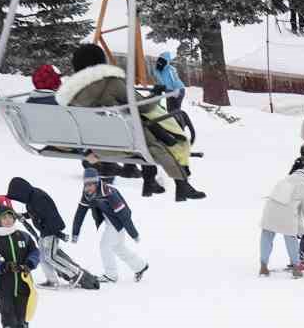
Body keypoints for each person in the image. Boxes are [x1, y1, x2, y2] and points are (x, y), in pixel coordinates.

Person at [58, 44, 203, 201]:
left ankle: (153, 181)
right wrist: (155, 95)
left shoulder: (69, 92)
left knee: (145, 132)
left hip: (94, 147)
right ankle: (181, 183)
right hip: (125, 143)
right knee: (160, 138)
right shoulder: (111, 83)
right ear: (101, 62)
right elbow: (143, 107)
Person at [72, 167, 148, 283]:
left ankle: (111, 275)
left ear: (96, 183)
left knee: (105, 246)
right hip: (110, 221)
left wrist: (134, 234)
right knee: (118, 247)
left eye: (90, 185)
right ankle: (140, 266)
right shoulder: (87, 194)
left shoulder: (109, 193)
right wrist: (75, 233)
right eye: (86, 185)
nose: (87, 188)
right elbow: (80, 213)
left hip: (118, 221)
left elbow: (124, 215)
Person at [5, 177, 68, 288]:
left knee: (50, 257)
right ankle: (52, 281)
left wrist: (53, 233)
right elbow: (34, 212)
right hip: (44, 232)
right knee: (43, 257)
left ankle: (75, 274)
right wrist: (24, 215)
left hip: (51, 231)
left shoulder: (39, 198)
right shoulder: (31, 198)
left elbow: (50, 216)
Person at [261, 164, 304, 277]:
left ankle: (263, 266)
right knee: (291, 238)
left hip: (269, 211)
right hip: (287, 215)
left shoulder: (287, 179)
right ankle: (296, 269)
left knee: (267, 237)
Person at [154, 51, 196, 143]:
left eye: (163, 61)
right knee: (170, 112)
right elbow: (160, 82)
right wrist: (157, 88)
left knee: (175, 111)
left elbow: (175, 79)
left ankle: (180, 130)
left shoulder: (170, 69)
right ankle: (174, 130)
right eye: (159, 60)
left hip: (178, 90)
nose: (160, 62)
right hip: (169, 91)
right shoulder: (157, 71)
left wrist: (176, 90)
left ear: (167, 61)